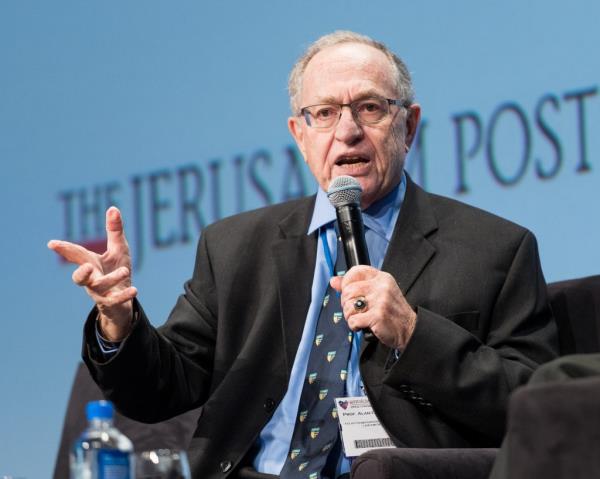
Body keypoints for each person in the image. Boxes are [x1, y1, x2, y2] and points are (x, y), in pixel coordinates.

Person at [49, 31, 558, 479]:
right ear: (299, 134)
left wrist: (413, 333)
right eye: (325, 113)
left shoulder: (495, 249)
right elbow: (160, 392)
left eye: (371, 108)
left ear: (409, 126)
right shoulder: (234, 247)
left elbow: (537, 406)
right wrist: (118, 321)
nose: (347, 130)